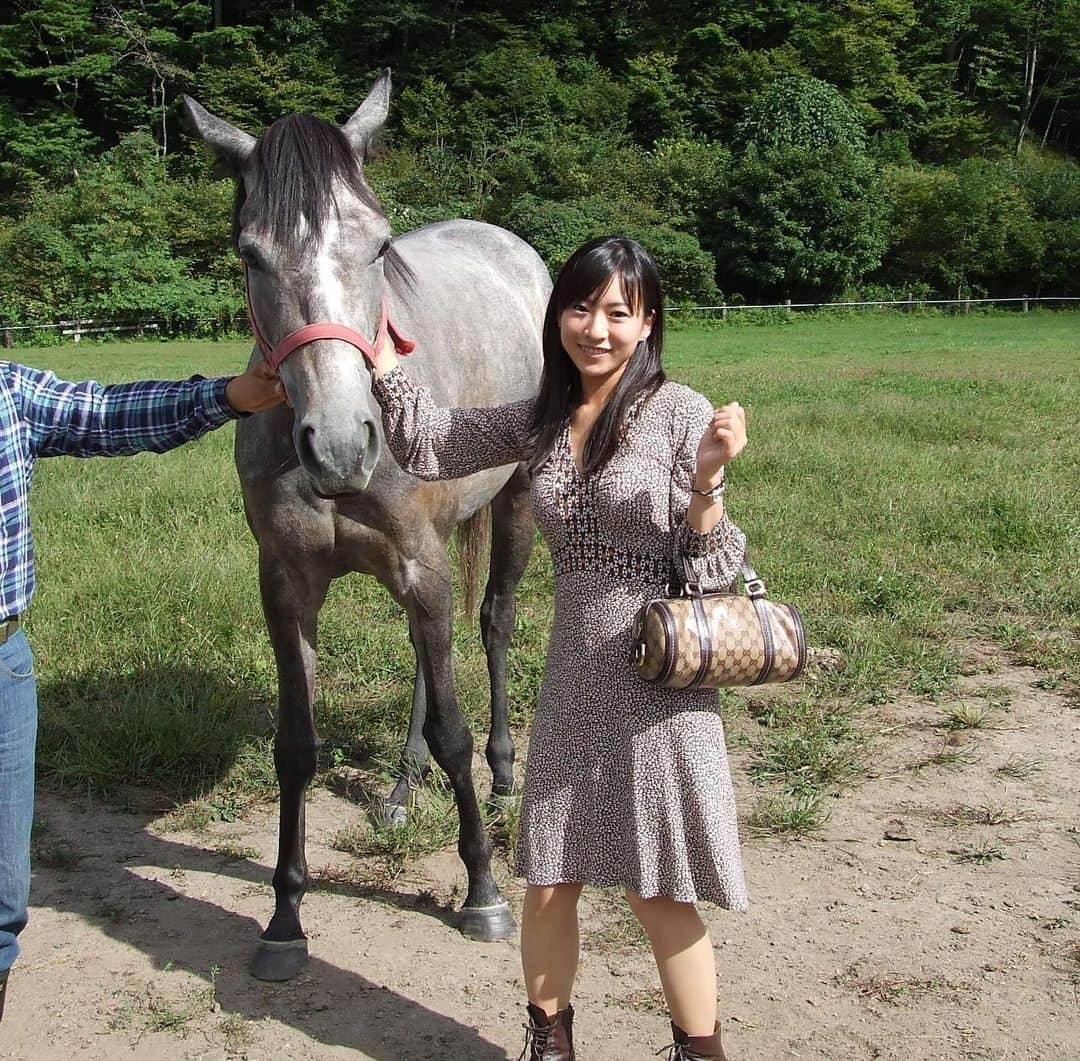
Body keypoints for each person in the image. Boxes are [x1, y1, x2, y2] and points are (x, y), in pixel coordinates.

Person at [369, 235, 749, 1061]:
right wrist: (382, 355)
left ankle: (701, 1051)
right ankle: (550, 1045)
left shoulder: (680, 412)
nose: (597, 328)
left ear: (648, 322)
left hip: (659, 685)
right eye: (581, 307)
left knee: (659, 890)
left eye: (619, 311)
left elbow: (716, 572)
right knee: (548, 879)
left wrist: (708, 484)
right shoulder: (542, 416)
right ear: (559, 315)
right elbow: (431, 442)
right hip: (576, 675)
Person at [0, 357, 285, 1022]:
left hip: (2, 662)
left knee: (4, 899)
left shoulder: (7, 389)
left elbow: (105, 414)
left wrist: (230, 396)